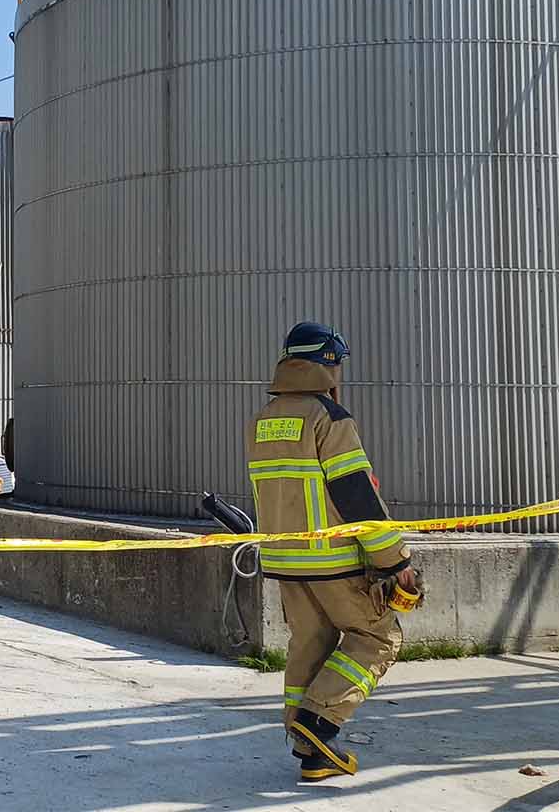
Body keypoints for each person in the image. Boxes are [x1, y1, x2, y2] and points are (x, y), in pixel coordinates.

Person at [246, 322, 419, 782]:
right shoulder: (330, 418)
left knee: (311, 642)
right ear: (326, 365)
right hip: (334, 559)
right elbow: (356, 496)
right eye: (337, 363)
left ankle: (311, 751)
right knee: (380, 637)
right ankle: (320, 720)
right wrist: (395, 561)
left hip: (285, 561)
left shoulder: (264, 419)